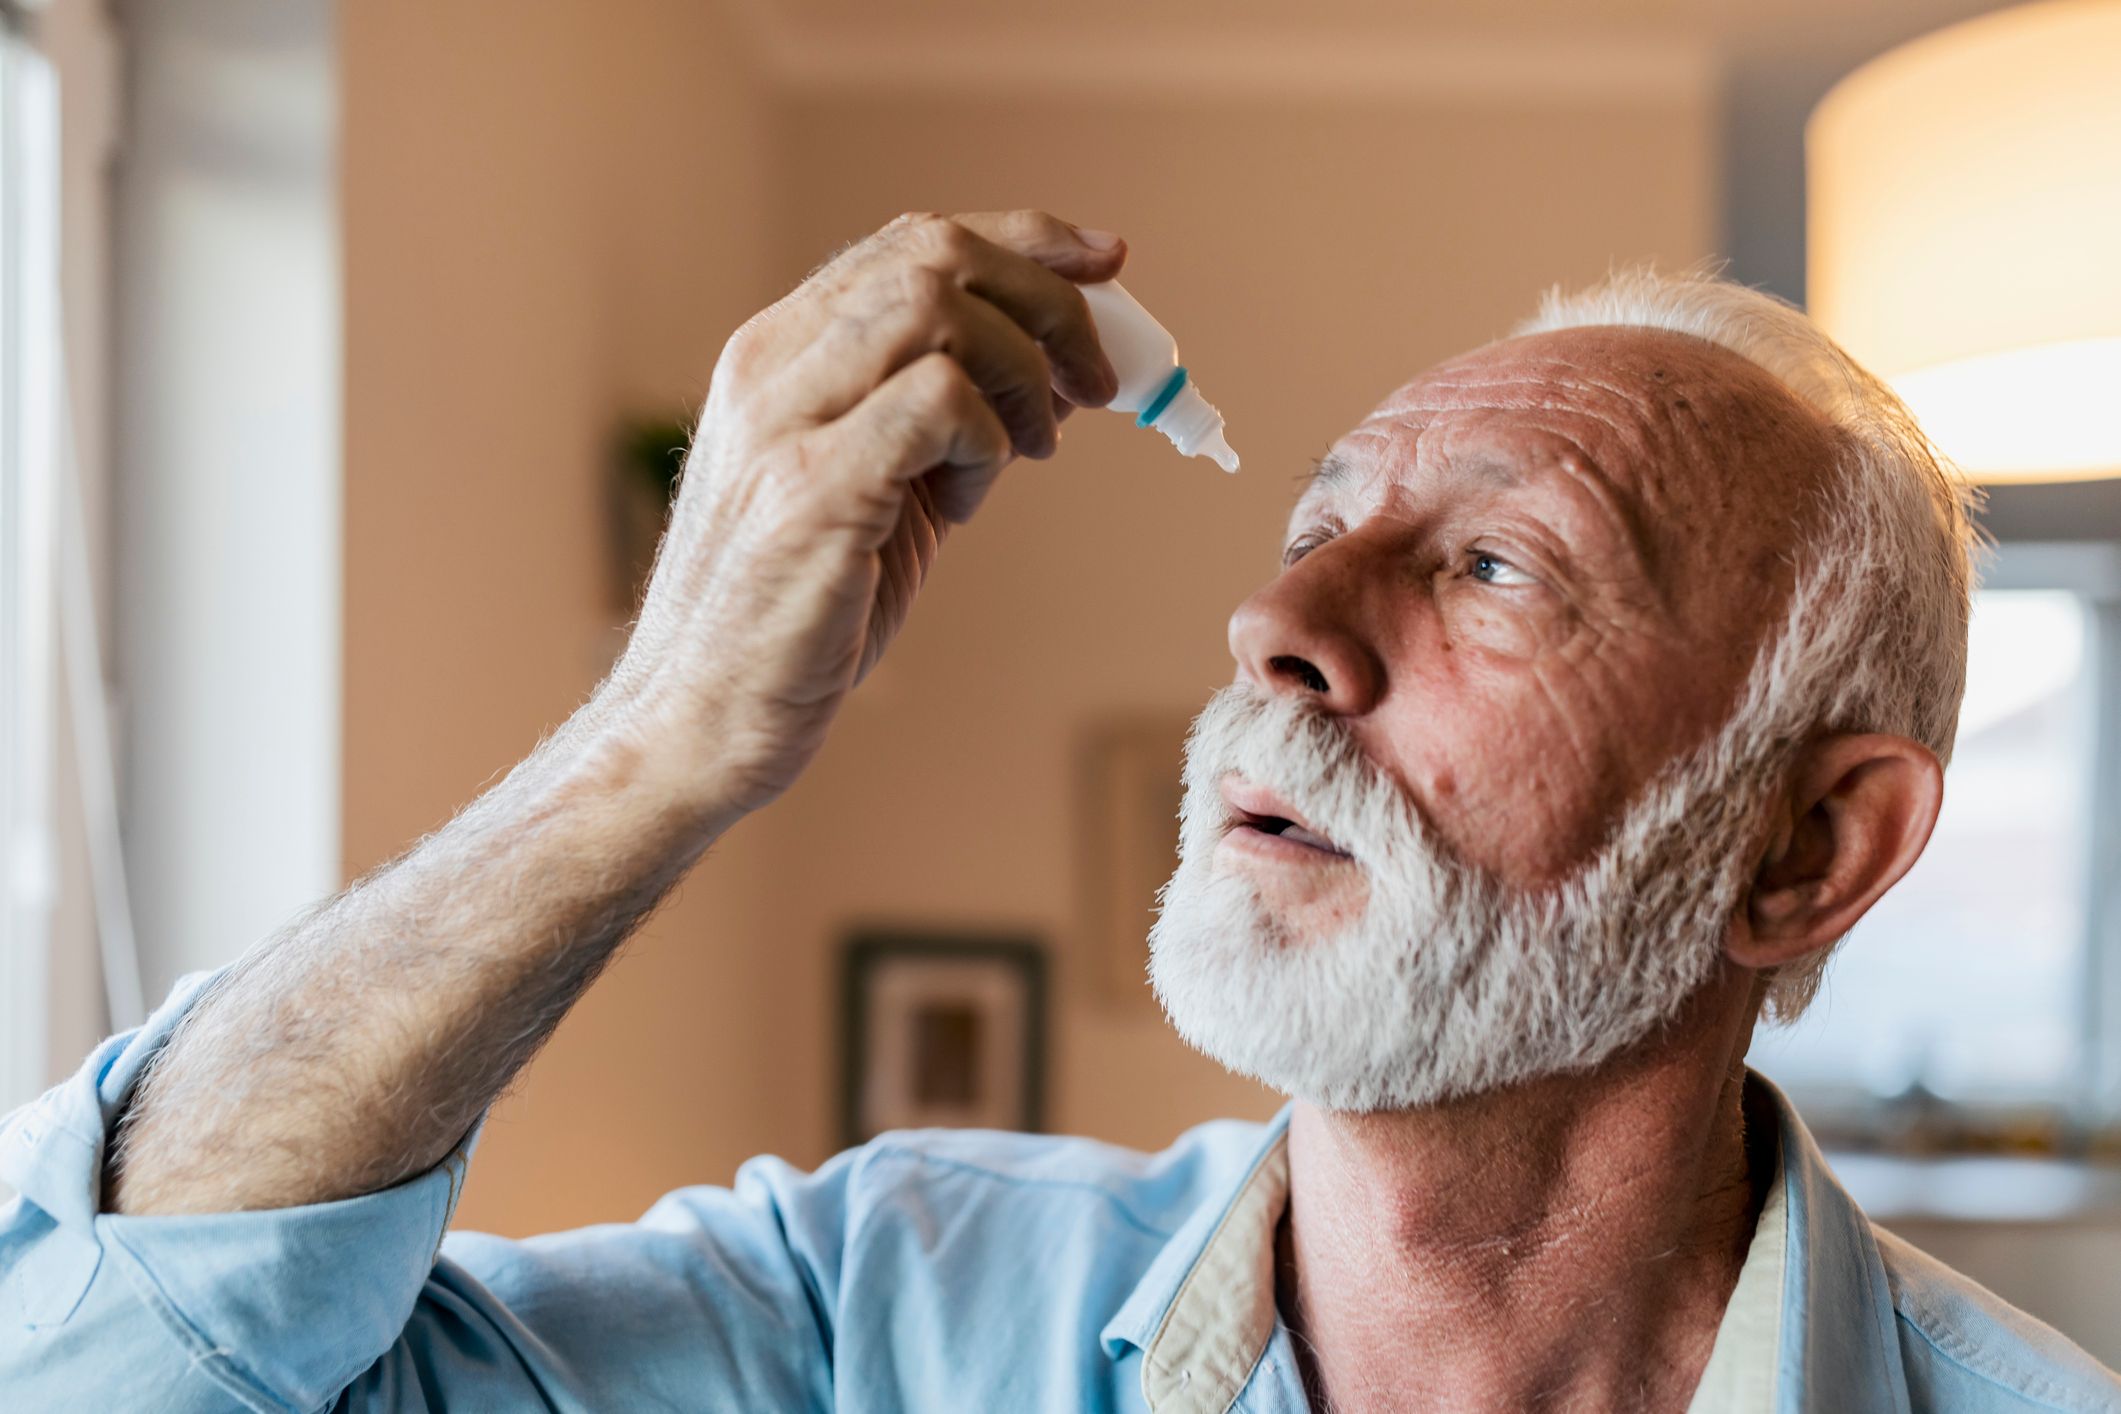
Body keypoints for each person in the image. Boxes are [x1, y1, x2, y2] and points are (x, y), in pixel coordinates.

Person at [2, 209, 2115, 1413]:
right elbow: (99, 1374)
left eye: (1491, 568)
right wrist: (653, 739)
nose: (1277, 619)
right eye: (1311, 528)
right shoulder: (862, 1315)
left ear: (1800, 850)